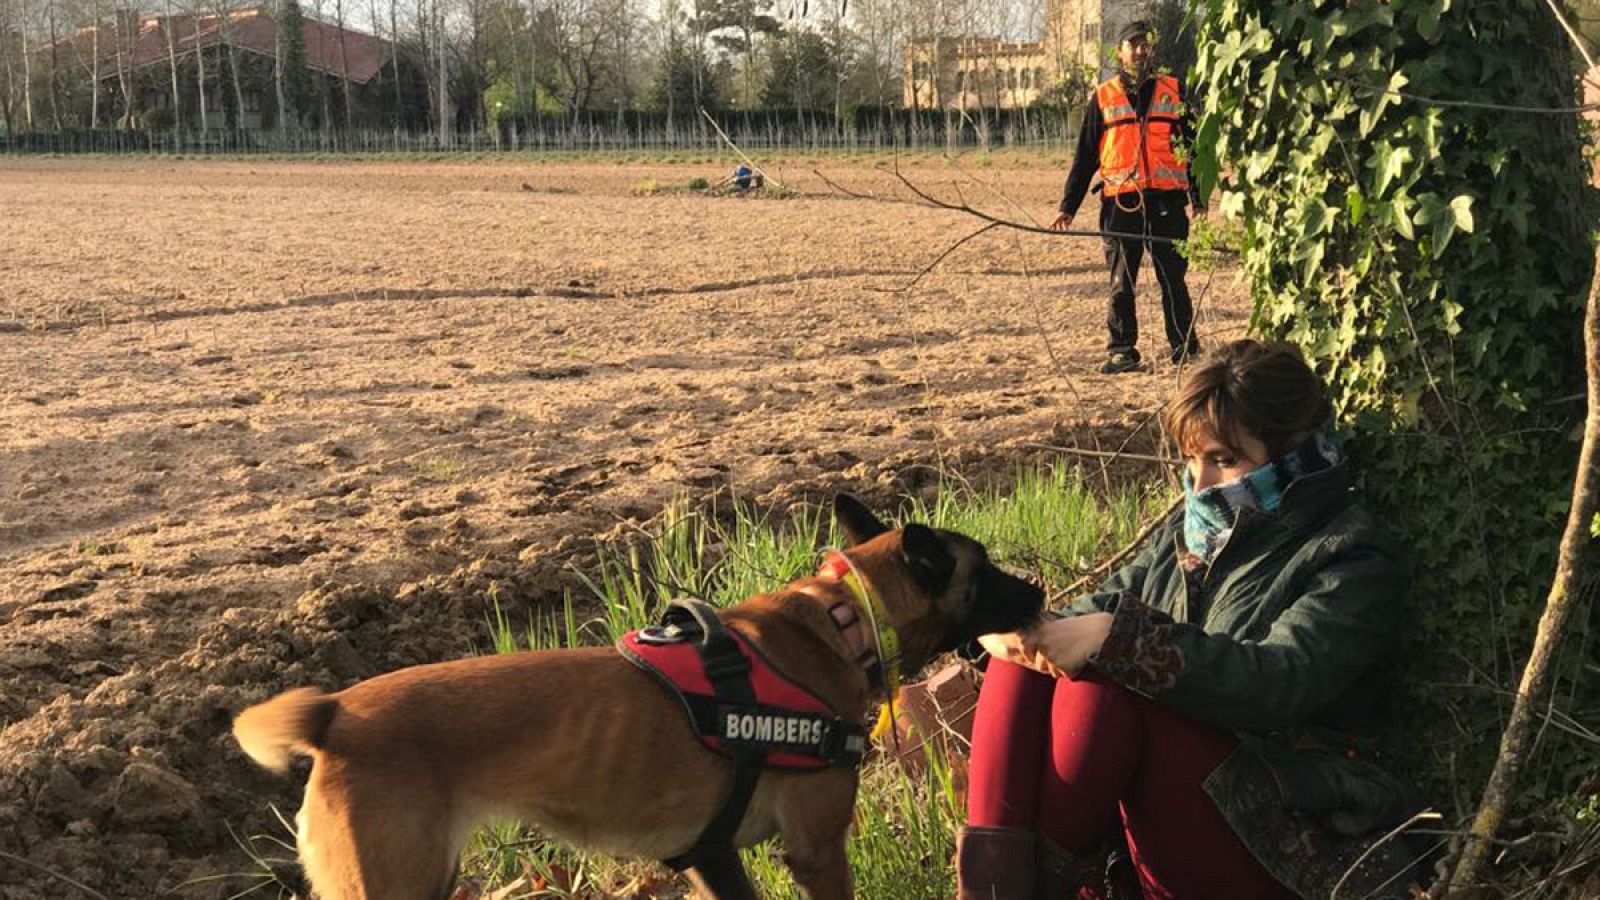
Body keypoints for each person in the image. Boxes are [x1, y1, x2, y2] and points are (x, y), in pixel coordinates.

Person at [957, 339, 1422, 899]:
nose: (1199, 486)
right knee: (1026, 662)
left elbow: (1281, 681)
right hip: (1175, 814)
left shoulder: (1349, 555)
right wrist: (1015, 629)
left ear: (1292, 453)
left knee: (1113, 686)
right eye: (1190, 460)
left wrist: (1124, 643)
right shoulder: (1186, 538)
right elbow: (1087, 618)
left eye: (1224, 460)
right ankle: (992, 890)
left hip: (1290, 829)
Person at [1051, 20, 1205, 375]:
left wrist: (1198, 196)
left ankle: (1184, 348)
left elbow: (1194, 148)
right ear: (1120, 52)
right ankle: (1122, 351)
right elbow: (1085, 157)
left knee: (1173, 280)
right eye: (1132, 45)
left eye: (1145, 44)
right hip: (1121, 204)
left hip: (1167, 203)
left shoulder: (1174, 91)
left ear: (1152, 50)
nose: (1139, 51)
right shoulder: (1103, 96)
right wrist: (1067, 207)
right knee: (1121, 282)